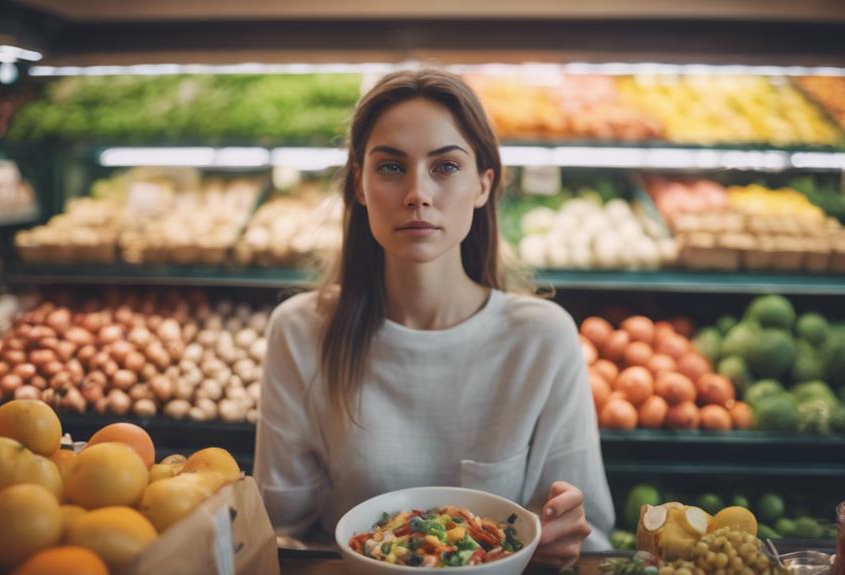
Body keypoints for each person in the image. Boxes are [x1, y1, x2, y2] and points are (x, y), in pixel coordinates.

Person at [253, 68, 615, 565]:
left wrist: (565, 533)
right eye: (390, 167)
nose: (417, 193)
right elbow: (281, 536)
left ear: (484, 185)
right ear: (359, 184)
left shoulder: (542, 339)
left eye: (445, 167)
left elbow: (589, 534)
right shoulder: (300, 333)